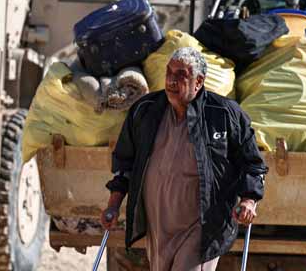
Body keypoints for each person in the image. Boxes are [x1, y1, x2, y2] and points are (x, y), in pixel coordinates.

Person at [101, 47, 268, 270]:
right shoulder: (145, 111)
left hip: (202, 226)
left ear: (198, 81)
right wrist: (113, 205)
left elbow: (253, 165)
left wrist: (249, 200)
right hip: (159, 227)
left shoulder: (224, 114)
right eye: (169, 72)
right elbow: (124, 163)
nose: (171, 80)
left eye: (181, 75)